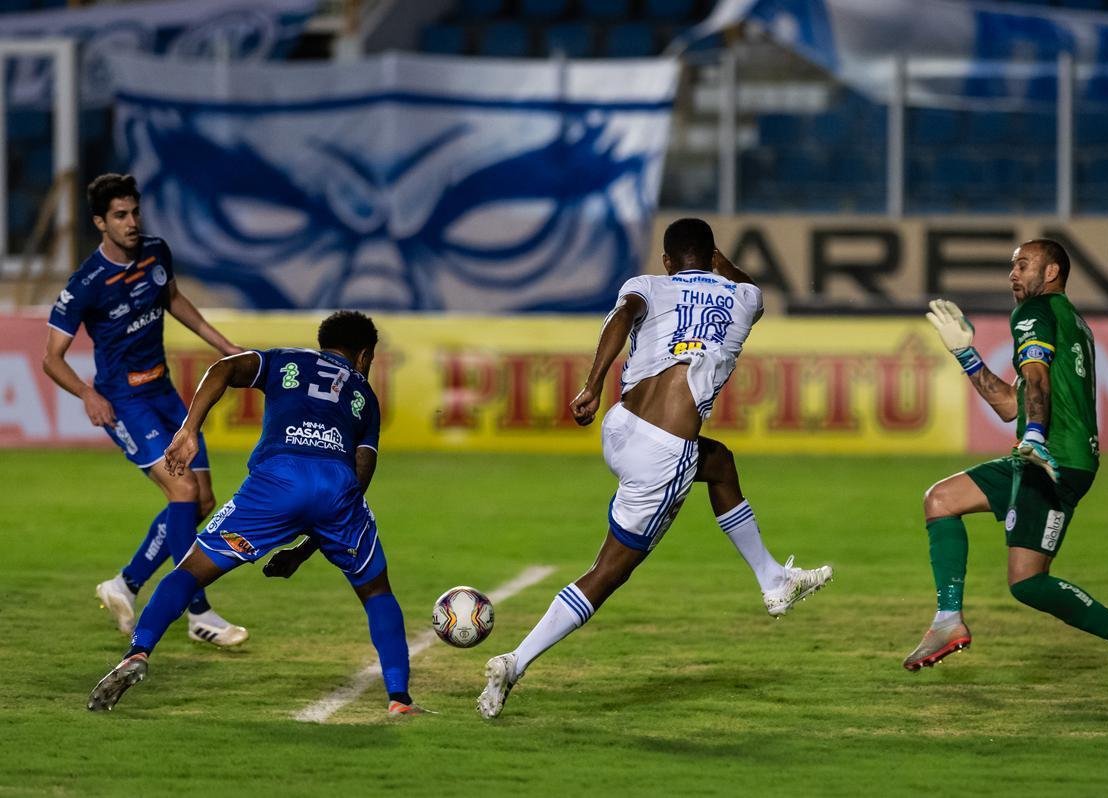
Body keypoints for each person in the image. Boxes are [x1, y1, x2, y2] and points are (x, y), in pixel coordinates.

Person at [477, 218, 834, 719]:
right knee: (607, 574)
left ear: (667, 261)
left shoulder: (646, 286)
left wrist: (591, 385)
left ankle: (774, 578)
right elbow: (745, 282)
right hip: (662, 455)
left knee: (720, 463)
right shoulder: (746, 299)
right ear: (713, 256)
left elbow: (623, 317)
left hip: (619, 426)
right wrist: (719, 262)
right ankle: (513, 663)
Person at [87, 310, 425, 716]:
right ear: (365, 356)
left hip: (276, 484)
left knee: (190, 571)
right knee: (376, 592)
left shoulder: (286, 360)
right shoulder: (365, 397)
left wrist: (189, 428)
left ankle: (137, 652)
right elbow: (361, 475)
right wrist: (302, 552)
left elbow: (225, 367)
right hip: (336, 485)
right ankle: (399, 699)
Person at [907, 239, 1108, 695]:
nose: (1013, 274)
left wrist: (1035, 438)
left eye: (1023, 265)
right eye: (1012, 266)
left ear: (1051, 273)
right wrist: (966, 356)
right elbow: (1011, 404)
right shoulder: (1068, 319)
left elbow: (1036, 379)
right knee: (941, 499)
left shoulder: (1034, 313)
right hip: (1039, 455)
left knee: (1028, 583)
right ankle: (947, 619)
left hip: (1052, 460)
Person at [44, 173, 246, 646]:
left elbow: (174, 300)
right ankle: (196, 611)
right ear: (100, 222)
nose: (132, 222)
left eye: (134, 212)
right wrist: (88, 395)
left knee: (203, 500)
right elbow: (50, 358)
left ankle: (126, 584)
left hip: (164, 392)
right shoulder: (86, 284)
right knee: (181, 489)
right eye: (120, 215)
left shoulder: (156, 251)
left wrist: (228, 348)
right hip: (124, 402)